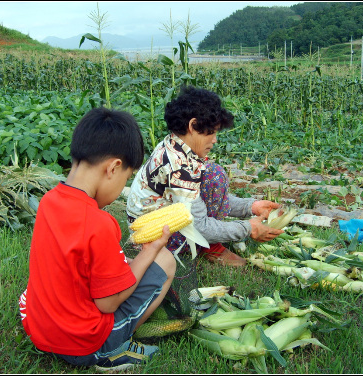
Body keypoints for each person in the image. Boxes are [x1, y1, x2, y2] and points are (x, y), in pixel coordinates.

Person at [18, 107, 176, 371]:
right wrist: (152, 250)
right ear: (113, 168)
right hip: (84, 344)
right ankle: (113, 350)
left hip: (37, 328)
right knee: (166, 261)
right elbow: (108, 303)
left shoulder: (48, 202)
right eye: (126, 177)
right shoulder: (99, 223)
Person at [126, 86, 284, 267]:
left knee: (211, 174)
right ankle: (211, 247)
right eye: (212, 132)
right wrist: (249, 228)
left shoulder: (173, 144)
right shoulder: (180, 167)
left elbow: (201, 199)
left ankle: (211, 245)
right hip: (152, 240)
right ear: (193, 126)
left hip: (153, 222)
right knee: (215, 175)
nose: (215, 140)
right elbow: (199, 226)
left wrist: (251, 207)